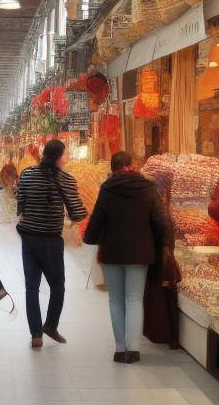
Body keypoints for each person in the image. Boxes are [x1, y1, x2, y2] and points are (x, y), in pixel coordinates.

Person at [84, 151, 173, 364]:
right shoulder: (148, 188)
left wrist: (91, 238)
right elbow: (162, 220)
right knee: (134, 299)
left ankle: (119, 348)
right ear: (133, 165)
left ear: (113, 168)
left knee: (115, 299)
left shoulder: (107, 189)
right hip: (141, 252)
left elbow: (96, 221)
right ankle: (133, 350)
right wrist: (168, 245)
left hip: (112, 251)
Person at [17, 139, 87, 348]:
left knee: (32, 287)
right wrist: (68, 219)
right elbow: (77, 212)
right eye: (65, 154)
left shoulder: (27, 175)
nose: (68, 158)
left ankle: (36, 334)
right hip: (50, 240)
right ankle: (51, 325)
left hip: (29, 239)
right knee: (58, 286)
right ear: (58, 157)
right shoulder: (65, 179)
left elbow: (20, 206)